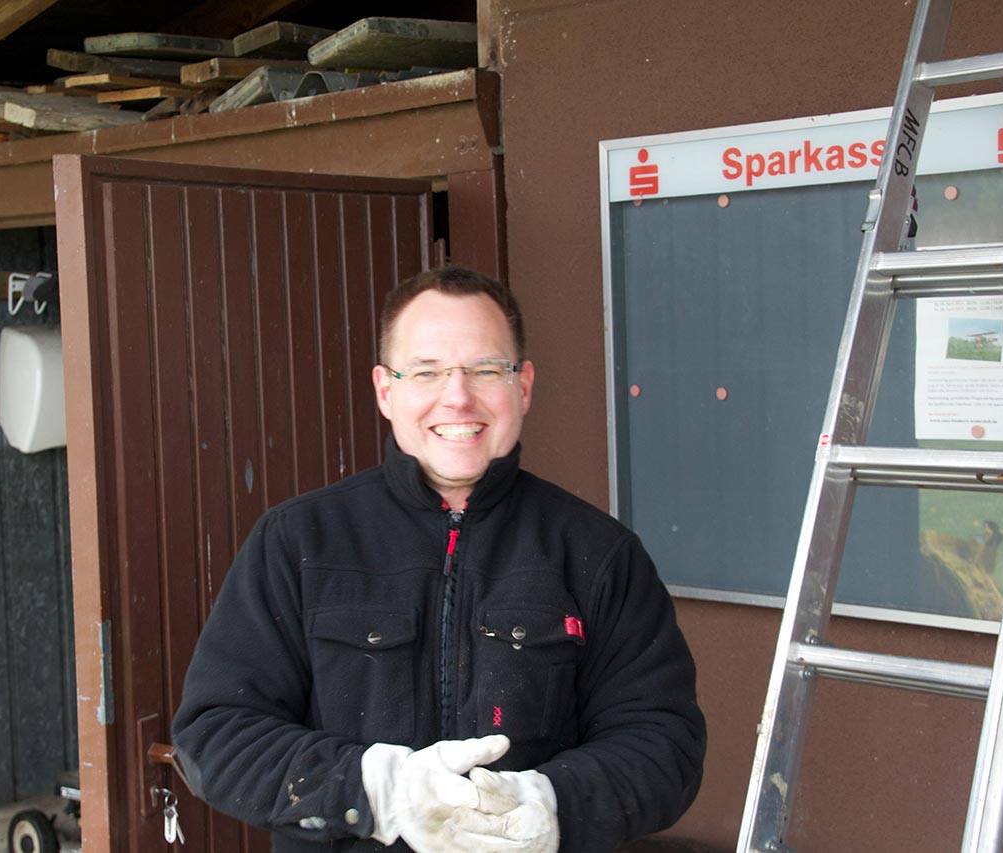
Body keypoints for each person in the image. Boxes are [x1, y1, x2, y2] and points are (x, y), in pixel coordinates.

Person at [172, 266, 706, 852]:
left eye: (486, 370)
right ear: (386, 390)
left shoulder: (599, 553)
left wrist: (551, 804)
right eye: (426, 371)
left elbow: (664, 747)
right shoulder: (298, 541)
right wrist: (378, 791)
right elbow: (216, 735)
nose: (457, 396)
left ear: (523, 386)